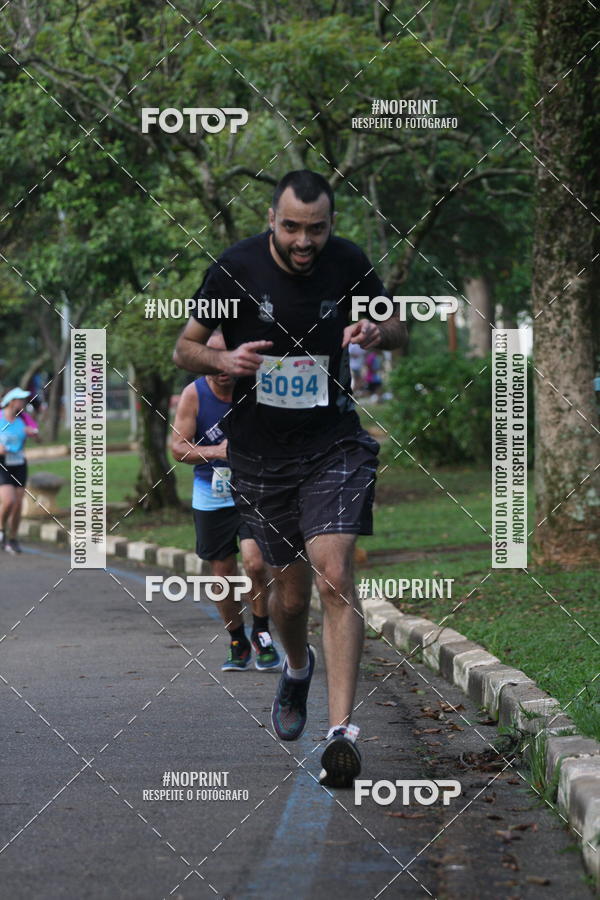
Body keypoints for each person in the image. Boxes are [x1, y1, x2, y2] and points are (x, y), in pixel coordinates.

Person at [173, 169, 407, 788]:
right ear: (272, 220)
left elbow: (400, 329)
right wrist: (223, 358)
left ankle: (341, 736)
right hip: (259, 456)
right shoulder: (235, 269)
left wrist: (379, 331)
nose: (306, 242)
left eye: (318, 229)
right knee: (290, 596)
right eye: (293, 228)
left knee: (335, 575)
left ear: (331, 224)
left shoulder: (349, 263)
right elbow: (185, 347)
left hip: (332, 444)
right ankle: (297, 667)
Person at [171, 332, 281, 672]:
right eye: (212, 358)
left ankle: (261, 633)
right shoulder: (194, 394)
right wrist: (217, 452)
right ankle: (236, 638)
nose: (222, 367)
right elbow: (178, 447)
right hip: (210, 495)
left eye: (227, 356)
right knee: (222, 573)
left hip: (252, 490)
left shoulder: (256, 387)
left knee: (255, 563)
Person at [0, 387, 39, 553]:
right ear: (11, 401)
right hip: (2, 464)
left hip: (19, 463)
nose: (23, 403)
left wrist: (33, 433)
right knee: (8, 501)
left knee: (17, 505)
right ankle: (1, 530)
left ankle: (13, 538)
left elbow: (38, 437)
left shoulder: (24, 418)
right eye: (20, 400)